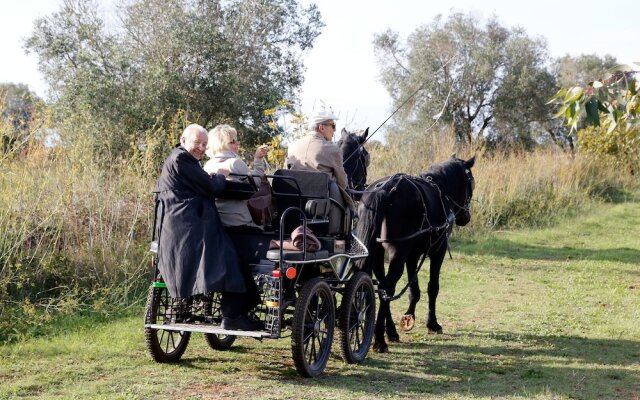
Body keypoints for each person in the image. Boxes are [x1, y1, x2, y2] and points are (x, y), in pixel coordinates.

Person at [154, 124, 262, 331]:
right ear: (183, 139)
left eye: (204, 144)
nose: (201, 148)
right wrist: (221, 175)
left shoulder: (188, 161)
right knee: (232, 262)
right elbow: (212, 188)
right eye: (197, 143)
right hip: (192, 226)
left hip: (181, 224)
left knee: (225, 259)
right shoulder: (182, 159)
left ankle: (186, 306)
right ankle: (233, 315)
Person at [286, 109, 354, 235]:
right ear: (322, 127)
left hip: (292, 210)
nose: (334, 130)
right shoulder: (332, 149)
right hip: (321, 213)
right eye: (333, 126)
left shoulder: (292, 146)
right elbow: (342, 182)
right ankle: (345, 236)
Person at [203, 124, 268, 228]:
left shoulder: (208, 165)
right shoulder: (234, 162)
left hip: (217, 219)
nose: (237, 143)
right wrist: (258, 160)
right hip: (240, 221)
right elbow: (257, 182)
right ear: (226, 144)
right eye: (234, 141)